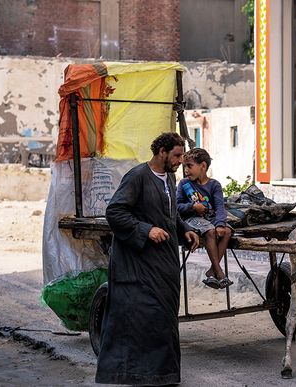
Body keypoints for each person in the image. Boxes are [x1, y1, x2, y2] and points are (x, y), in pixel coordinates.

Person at [95, 132, 200, 385]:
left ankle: (163, 374)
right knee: (143, 317)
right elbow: (116, 212)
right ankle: (134, 373)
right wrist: (146, 230)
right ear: (161, 152)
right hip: (138, 264)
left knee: (164, 318)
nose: (179, 162)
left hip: (164, 264)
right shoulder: (138, 176)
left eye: (181, 157)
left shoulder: (170, 178)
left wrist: (185, 229)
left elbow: (170, 215)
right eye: (176, 156)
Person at [176, 148, 233, 290]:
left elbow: (220, 207)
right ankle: (219, 272)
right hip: (191, 219)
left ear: (203, 166)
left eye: (189, 166)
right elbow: (176, 206)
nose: (186, 170)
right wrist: (192, 207)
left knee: (227, 232)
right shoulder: (184, 184)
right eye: (184, 167)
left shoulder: (214, 185)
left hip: (210, 218)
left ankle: (211, 271)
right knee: (210, 231)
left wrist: (220, 224)